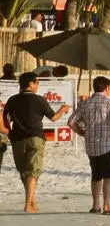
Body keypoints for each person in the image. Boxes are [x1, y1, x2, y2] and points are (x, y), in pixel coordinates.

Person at [4, 72, 66, 213]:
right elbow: (54, 118)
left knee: (24, 172)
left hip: (17, 139)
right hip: (36, 137)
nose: (38, 85)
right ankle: (28, 204)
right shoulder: (39, 100)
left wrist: (9, 132)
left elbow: (4, 118)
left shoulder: (12, 100)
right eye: (37, 82)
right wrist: (62, 109)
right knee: (33, 171)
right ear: (31, 84)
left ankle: (31, 201)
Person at [69, 75, 110, 215]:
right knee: (109, 174)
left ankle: (95, 205)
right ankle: (106, 206)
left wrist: (82, 132)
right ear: (107, 88)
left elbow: (71, 122)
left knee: (96, 174)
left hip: (91, 145)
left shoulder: (85, 103)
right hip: (106, 144)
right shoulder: (109, 102)